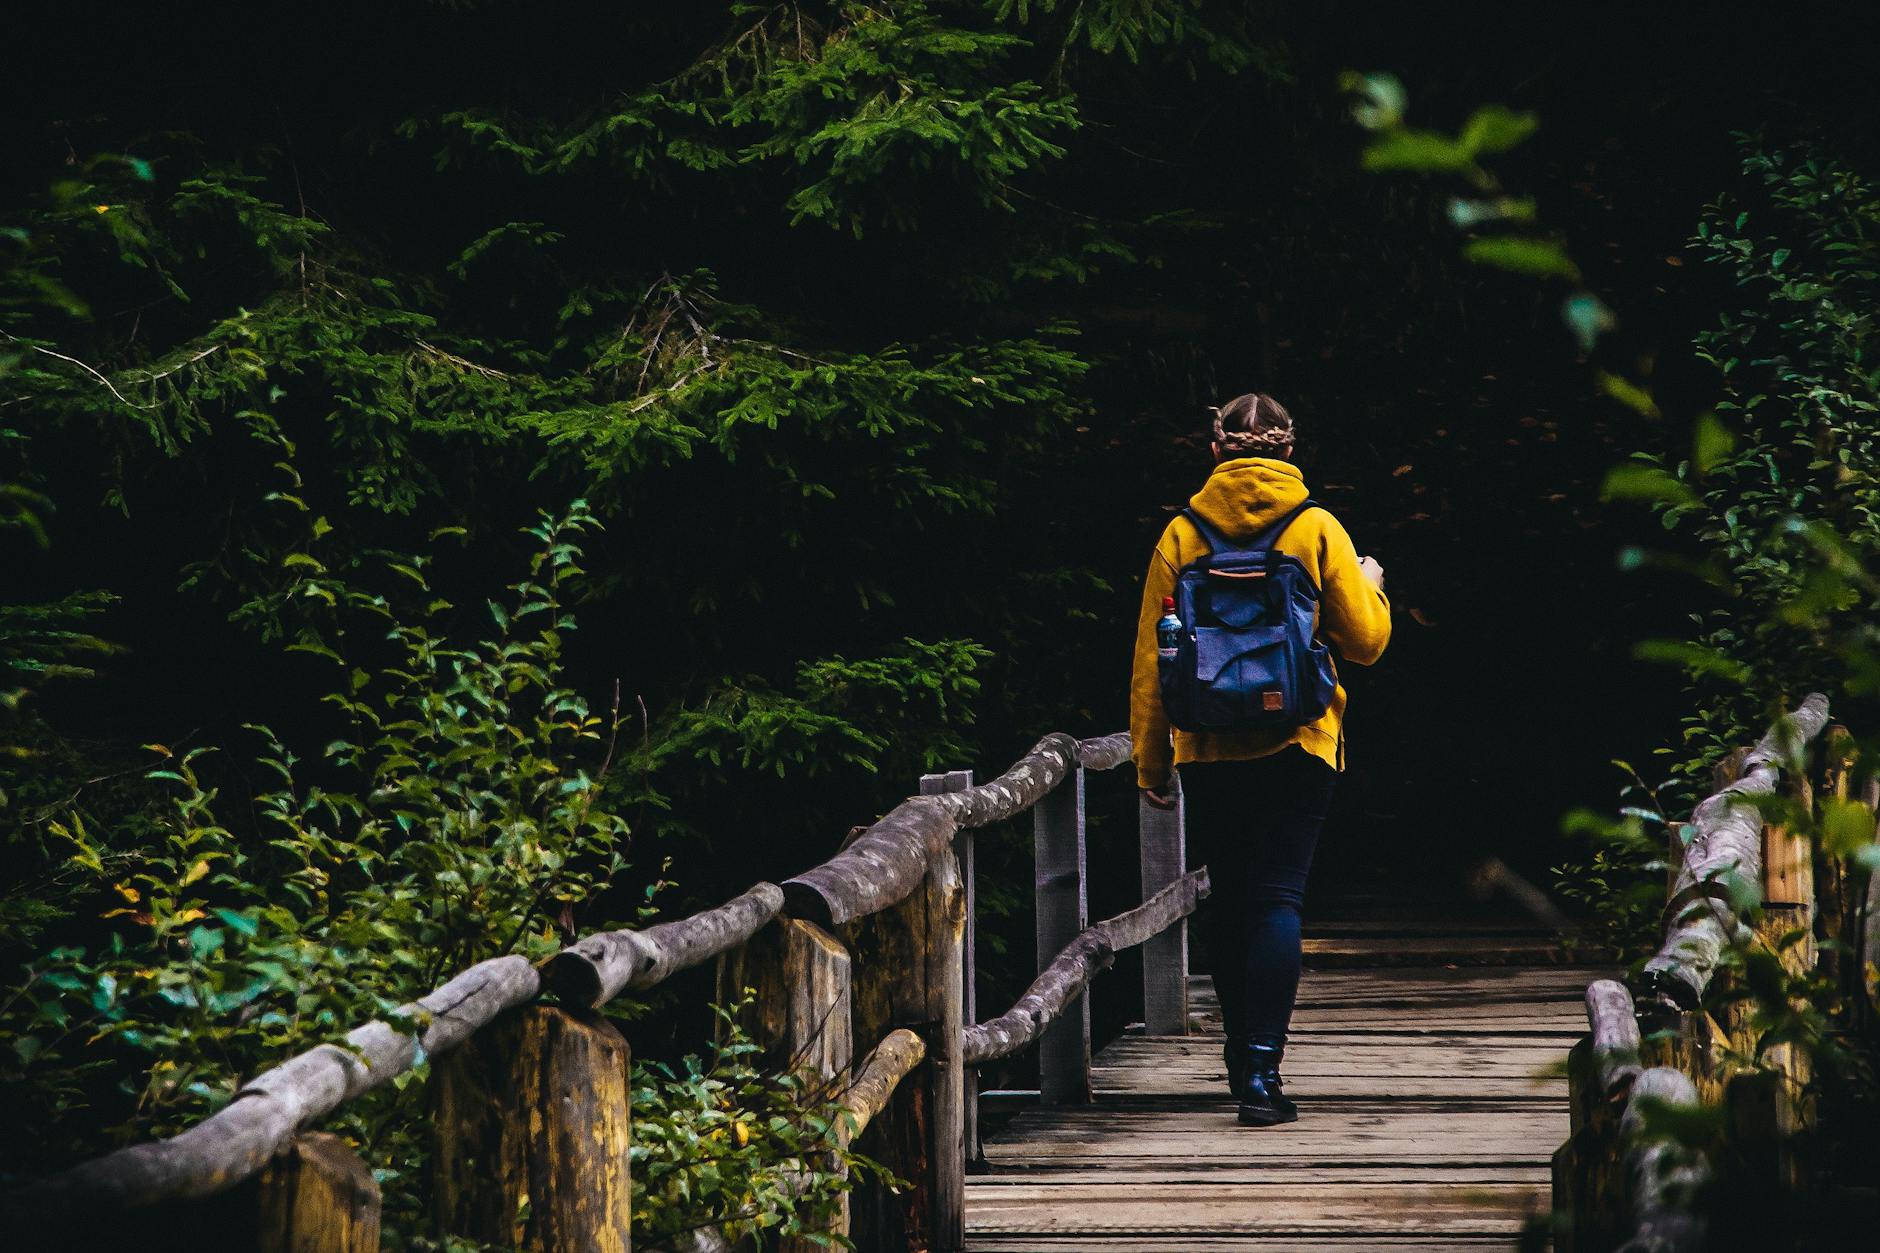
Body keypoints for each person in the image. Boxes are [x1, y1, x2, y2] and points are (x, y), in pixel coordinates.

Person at [1130, 392, 1391, 1126]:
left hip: (1210, 744)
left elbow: (1152, 663)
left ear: (1216, 450)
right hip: (1298, 742)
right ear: (1287, 449)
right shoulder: (1315, 527)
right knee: (1278, 898)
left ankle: (1238, 1060)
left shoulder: (1180, 535)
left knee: (1231, 898)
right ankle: (1263, 1077)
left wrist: (1152, 763)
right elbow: (1366, 642)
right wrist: (1369, 584)